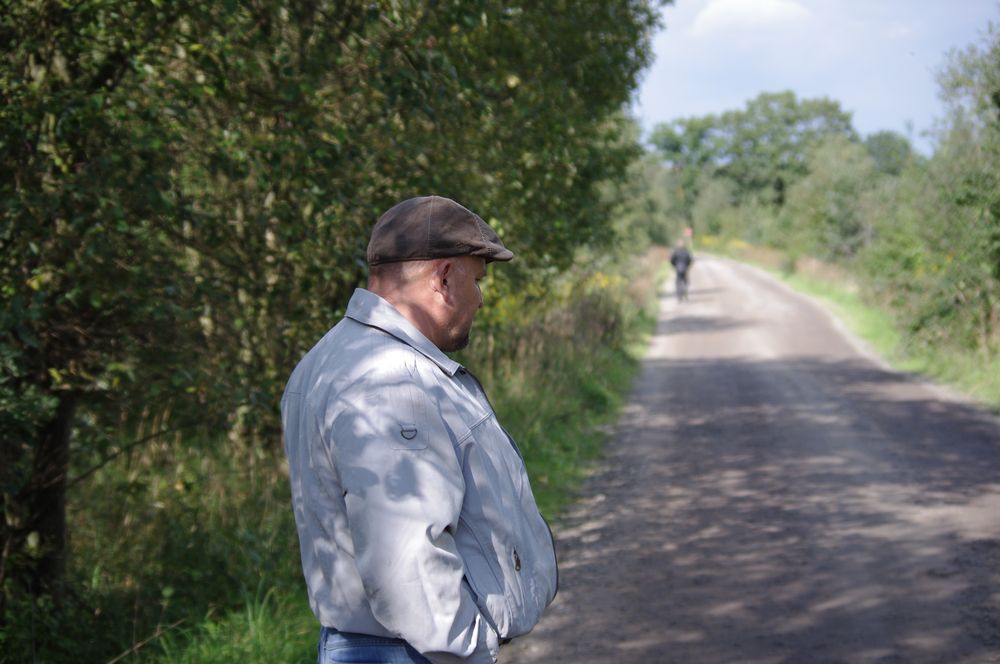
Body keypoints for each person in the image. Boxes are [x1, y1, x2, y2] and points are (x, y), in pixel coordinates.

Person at [281, 195, 559, 664]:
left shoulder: (326, 359)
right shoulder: (391, 382)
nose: (482, 299)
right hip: (410, 652)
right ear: (445, 277)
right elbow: (408, 562)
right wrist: (469, 652)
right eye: (478, 279)